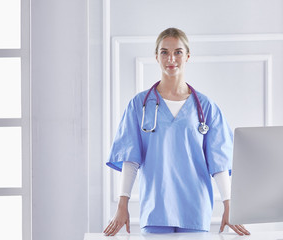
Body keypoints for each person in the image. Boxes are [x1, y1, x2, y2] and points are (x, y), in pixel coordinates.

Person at [103, 27, 250, 236]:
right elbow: (130, 159)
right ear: (156, 56)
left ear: (187, 56)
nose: (171, 58)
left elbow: (219, 161)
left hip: (195, 209)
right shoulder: (139, 104)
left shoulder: (206, 107)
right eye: (164, 52)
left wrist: (228, 204)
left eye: (178, 52)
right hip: (155, 208)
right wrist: (122, 205)